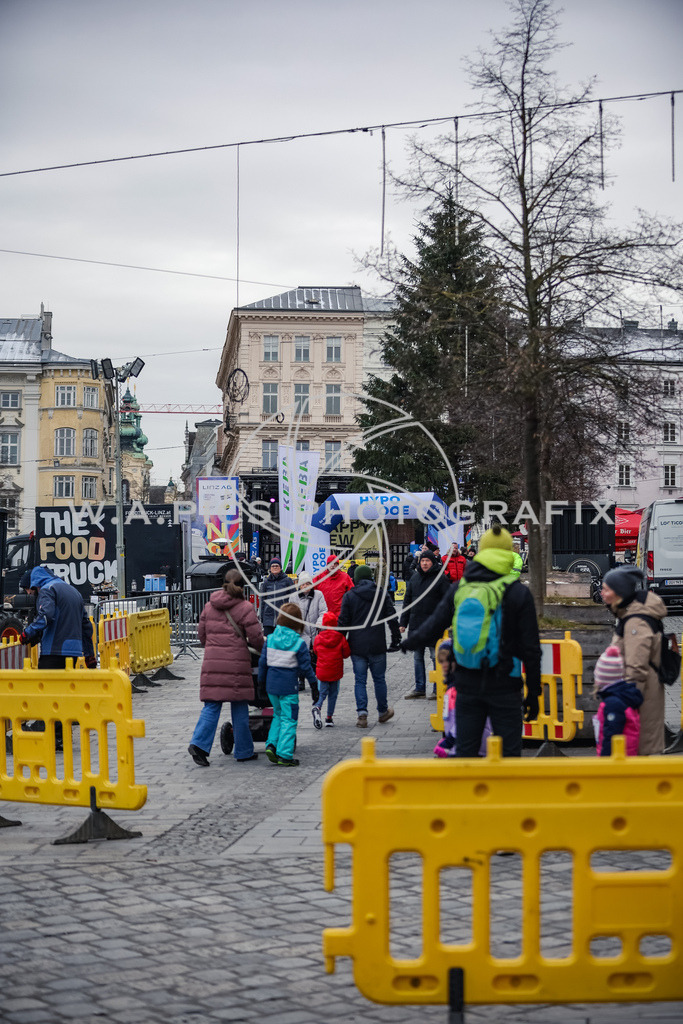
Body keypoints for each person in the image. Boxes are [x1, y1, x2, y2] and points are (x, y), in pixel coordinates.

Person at [401, 524, 541, 757]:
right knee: (510, 754)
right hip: (506, 682)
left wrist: (409, 641)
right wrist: (533, 693)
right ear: (509, 553)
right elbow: (531, 648)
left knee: (466, 751)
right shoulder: (517, 592)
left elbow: (435, 622)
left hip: (466, 681)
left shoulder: (461, 587)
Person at [188, 568, 265, 767]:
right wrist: (262, 650)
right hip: (237, 664)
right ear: (242, 586)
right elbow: (256, 637)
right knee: (239, 706)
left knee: (211, 705)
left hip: (212, 662)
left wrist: (214, 647)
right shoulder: (246, 607)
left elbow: (201, 635)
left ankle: (198, 744)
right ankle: (244, 750)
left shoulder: (209, 605)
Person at [601, 565, 667, 755]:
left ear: (619, 593)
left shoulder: (635, 623)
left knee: (639, 752)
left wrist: (626, 704)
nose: (602, 593)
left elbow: (636, 667)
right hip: (643, 694)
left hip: (640, 699)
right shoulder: (631, 616)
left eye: (606, 589)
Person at [337, 564, 401, 728]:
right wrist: (396, 639)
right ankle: (382, 712)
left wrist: (339, 644)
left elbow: (343, 622)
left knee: (360, 681)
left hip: (357, 645)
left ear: (356, 579)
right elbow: (392, 617)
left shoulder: (349, 596)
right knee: (379, 679)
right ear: (371, 578)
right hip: (377, 643)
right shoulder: (380, 594)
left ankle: (362, 715)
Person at [258, 603, 318, 766]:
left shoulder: (270, 640)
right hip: (288, 689)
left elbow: (263, 663)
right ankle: (284, 754)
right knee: (290, 719)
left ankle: (271, 744)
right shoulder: (298, 644)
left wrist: (261, 683)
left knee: (278, 715)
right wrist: (314, 686)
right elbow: (306, 667)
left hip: (271, 687)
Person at [400, 549, 451, 700]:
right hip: (416, 624)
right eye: (422, 561)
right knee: (417, 656)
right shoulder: (414, 578)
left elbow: (448, 602)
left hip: (434, 625)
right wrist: (403, 622)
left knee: (435, 656)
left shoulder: (441, 579)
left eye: (427, 561)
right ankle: (419, 688)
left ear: (432, 562)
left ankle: (438, 688)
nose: (424, 563)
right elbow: (407, 602)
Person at [20, 566, 95, 669]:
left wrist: (27, 633)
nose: (28, 593)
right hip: (74, 652)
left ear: (34, 583)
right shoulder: (74, 591)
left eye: (27, 589)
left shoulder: (47, 589)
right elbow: (86, 625)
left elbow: (46, 616)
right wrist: (89, 654)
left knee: (47, 684)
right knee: (65, 684)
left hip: (54, 651)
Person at [433, 641, 491, 758]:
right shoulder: (453, 686)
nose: (444, 665)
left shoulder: (459, 688)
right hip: (465, 743)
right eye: (441, 661)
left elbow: (464, 718)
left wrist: (449, 741)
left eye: (448, 660)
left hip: (467, 745)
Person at [592, 644, 643, 756]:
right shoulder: (623, 697)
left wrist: (605, 761)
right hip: (626, 755)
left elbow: (612, 735)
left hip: (618, 758)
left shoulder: (613, 703)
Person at [290, 571, 327, 699]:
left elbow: (323, 611)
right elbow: (291, 613)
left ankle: (315, 679)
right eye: (303, 584)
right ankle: (301, 680)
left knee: (315, 656)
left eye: (308, 584)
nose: (305, 586)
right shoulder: (294, 597)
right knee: (301, 656)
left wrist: (319, 624)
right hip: (301, 631)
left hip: (315, 630)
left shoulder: (318, 595)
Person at [311, 611, 350, 728]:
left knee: (322, 694)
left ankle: (317, 707)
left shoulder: (318, 638)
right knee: (333, 694)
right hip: (335, 671)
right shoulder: (340, 637)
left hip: (322, 672)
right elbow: (346, 653)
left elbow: (316, 651)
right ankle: (329, 718)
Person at [312, 554, 354, 618]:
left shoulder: (345, 577)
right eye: (330, 563)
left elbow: (352, 594)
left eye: (335, 564)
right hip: (322, 616)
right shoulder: (319, 577)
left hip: (339, 616)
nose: (332, 566)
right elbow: (310, 592)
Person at [260, 557, 293, 636]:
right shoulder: (266, 582)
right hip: (268, 618)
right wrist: (262, 616)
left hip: (283, 617)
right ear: (270, 568)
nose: (275, 567)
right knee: (269, 642)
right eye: (273, 566)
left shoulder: (287, 580)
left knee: (282, 643)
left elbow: (293, 598)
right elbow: (263, 600)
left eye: (277, 566)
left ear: (280, 568)